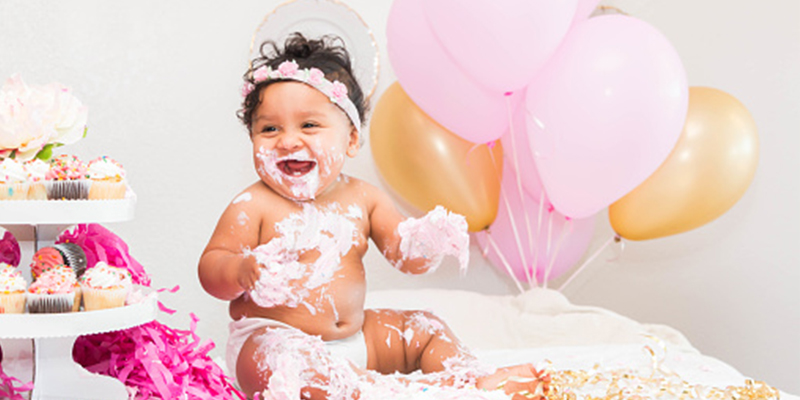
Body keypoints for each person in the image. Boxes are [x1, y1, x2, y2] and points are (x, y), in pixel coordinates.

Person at [198, 33, 538, 400]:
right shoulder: (254, 205)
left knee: (424, 326)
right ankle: (382, 391)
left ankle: (465, 378)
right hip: (277, 340)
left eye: (309, 125)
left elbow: (406, 257)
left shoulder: (363, 197)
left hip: (358, 339)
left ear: (351, 140)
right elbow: (211, 268)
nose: (288, 140)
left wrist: (426, 240)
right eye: (269, 128)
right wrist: (241, 270)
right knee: (284, 365)